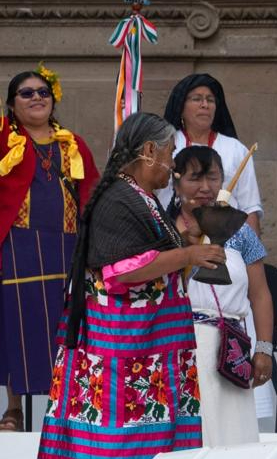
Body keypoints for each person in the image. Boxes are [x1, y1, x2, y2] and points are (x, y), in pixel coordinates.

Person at [38, 113, 224, 459]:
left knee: (150, 442)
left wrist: (188, 240)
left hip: (148, 348)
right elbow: (122, 270)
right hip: (125, 356)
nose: (173, 166)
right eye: (169, 154)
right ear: (150, 151)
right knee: (117, 444)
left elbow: (148, 254)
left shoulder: (140, 196)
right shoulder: (118, 199)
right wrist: (187, 255)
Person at [0, 67, 99, 432]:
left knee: (66, 330)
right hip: (16, 246)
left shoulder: (73, 143)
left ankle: (62, 410)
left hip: (68, 247)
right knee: (16, 326)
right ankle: (14, 409)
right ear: (12, 104)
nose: (36, 97)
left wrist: (95, 248)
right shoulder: (1, 139)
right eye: (26, 93)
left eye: (43, 92)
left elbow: (90, 192)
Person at [170, 146, 274, 447]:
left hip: (232, 346)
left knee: (233, 433)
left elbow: (260, 293)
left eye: (213, 177)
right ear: (176, 183)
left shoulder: (241, 231)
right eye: (194, 178)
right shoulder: (165, 228)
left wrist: (264, 348)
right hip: (181, 344)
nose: (205, 187)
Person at [160, 74, 264, 235]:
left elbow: (249, 207)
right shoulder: (165, 145)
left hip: (228, 240)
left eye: (210, 100)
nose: (205, 105)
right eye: (197, 99)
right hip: (172, 236)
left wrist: (252, 255)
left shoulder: (236, 149)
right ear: (181, 105)